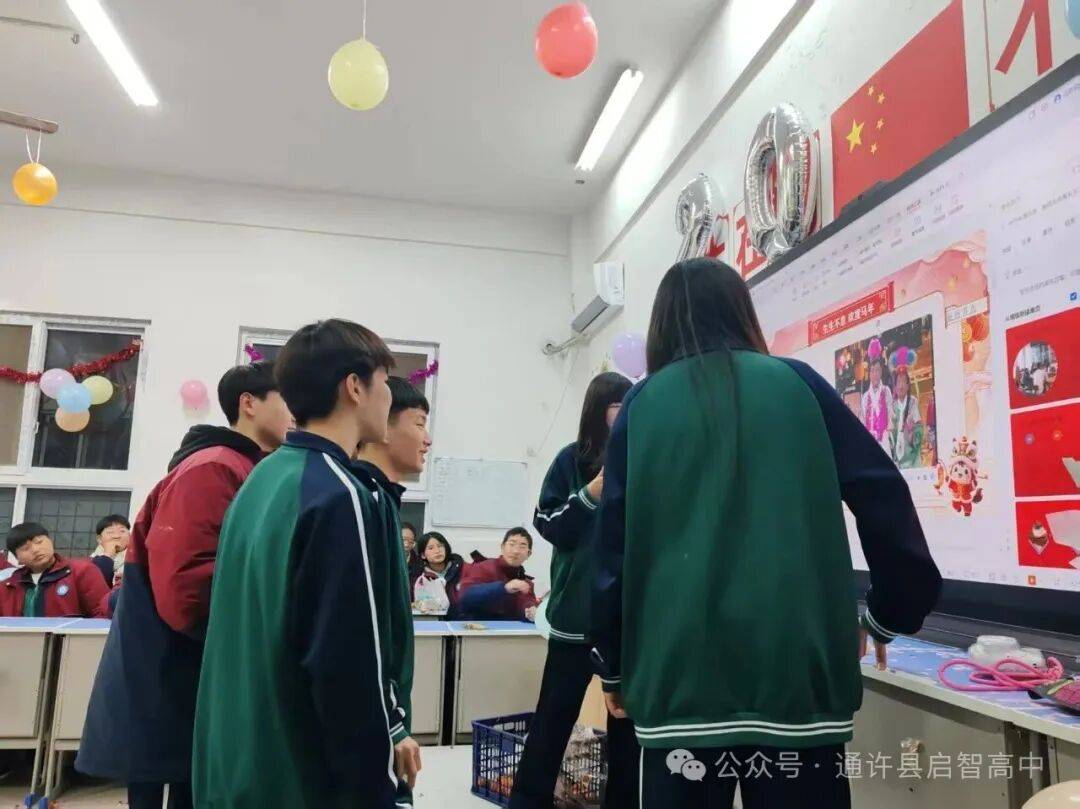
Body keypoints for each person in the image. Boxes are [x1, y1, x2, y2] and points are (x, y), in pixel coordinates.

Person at [592, 259, 941, 809]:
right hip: (796, 682)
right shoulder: (798, 385)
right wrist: (889, 612)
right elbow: (884, 494)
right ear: (742, 312)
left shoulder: (644, 404)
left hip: (679, 685)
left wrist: (612, 665)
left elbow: (611, 551)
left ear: (661, 325)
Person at [192, 319, 421, 809]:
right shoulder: (339, 493)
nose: (389, 397)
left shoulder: (263, 477)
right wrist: (378, 787)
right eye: (384, 382)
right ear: (355, 387)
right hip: (294, 769)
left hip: (235, 759)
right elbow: (346, 662)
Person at [76, 360, 292, 809]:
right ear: (248, 403)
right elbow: (186, 589)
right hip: (174, 672)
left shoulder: (241, 466)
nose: (296, 412)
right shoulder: (213, 468)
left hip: (186, 671)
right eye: (286, 399)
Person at [510, 372, 639, 809]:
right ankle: (529, 800)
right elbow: (548, 525)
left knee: (627, 727)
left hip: (625, 622)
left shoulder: (641, 457)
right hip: (574, 620)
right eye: (618, 406)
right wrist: (592, 492)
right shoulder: (571, 459)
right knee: (553, 719)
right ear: (598, 410)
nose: (625, 414)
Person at [352, 373, 431, 805]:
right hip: (374, 718)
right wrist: (394, 726)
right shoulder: (362, 500)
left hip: (386, 710)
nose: (427, 439)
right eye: (419, 424)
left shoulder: (381, 498)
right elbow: (362, 630)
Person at [0, 523, 109, 617]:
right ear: (17, 558)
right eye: (25, 548)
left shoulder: (82, 571)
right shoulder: (8, 586)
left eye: (39, 542)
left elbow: (102, 613)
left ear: (50, 541)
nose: (36, 550)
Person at [457, 528, 539, 620]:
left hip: (508, 628)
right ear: (502, 547)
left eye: (522, 547)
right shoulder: (483, 567)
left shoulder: (526, 583)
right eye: (512, 544)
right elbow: (465, 597)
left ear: (528, 554)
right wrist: (504, 588)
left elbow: (525, 604)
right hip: (475, 626)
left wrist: (531, 611)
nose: (515, 551)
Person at [413, 531, 464, 616]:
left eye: (440, 546)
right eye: (431, 548)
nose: (437, 551)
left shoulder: (461, 569)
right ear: (423, 555)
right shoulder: (421, 579)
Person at [890, 367, 923, 469]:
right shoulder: (892, 406)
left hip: (912, 460)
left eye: (904, 382)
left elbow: (919, 429)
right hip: (897, 461)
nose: (901, 386)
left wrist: (912, 433)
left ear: (908, 386)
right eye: (898, 382)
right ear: (895, 387)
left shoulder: (913, 402)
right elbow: (891, 434)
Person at [861, 355, 893, 452]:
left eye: (877, 370)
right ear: (869, 374)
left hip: (884, 439)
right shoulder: (865, 396)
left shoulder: (886, 391)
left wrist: (889, 434)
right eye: (872, 371)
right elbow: (862, 420)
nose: (875, 374)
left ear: (881, 372)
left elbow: (890, 415)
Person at [89, 514, 131, 588]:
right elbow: (95, 586)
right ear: (99, 539)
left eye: (122, 531)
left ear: (130, 536)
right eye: (110, 532)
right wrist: (107, 555)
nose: (116, 536)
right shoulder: (90, 563)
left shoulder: (138, 560)